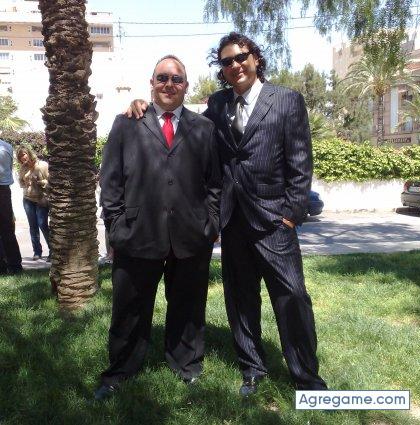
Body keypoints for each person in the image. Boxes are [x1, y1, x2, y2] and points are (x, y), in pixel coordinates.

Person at [127, 32, 327, 396]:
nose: (235, 65)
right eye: (226, 62)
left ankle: (307, 378)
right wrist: (144, 105)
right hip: (233, 220)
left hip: (274, 220)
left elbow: (301, 161)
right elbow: (183, 122)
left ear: (256, 58)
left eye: (241, 57)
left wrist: (292, 214)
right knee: (241, 298)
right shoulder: (218, 104)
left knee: (293, 296)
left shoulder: (286, 99)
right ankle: (252, 369)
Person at [95, 55, 221, 401]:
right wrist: (115, 225)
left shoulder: (204, 128)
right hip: (137, 232)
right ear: (152, 83)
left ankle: (186, 364)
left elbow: (214, 182)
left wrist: (210, 223)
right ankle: (120, 370)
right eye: (162, 78)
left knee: (188, 306)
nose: (169, 84)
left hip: (190, 235)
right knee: (129, 308)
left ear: (186, 86)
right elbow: (111, 180)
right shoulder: (127, 123)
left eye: (176, 79)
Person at [16, 146, 50, 262]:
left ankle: (53, 251)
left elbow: (50, 181)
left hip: (41, 199)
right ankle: (37, 251)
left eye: (24, 154)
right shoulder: (23, 168)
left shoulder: (42, 165)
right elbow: (20, 182)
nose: (22, 158)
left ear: (29, 153)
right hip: (27, 199)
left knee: (43, 225)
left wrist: (39, 182)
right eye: (20, 156)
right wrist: (25, 183)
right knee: (33, 226)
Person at [0, 138, 22, 275]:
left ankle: (3, 266)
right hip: (4, 189)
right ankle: (15, 264)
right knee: (8, 229)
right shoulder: (7, 146)